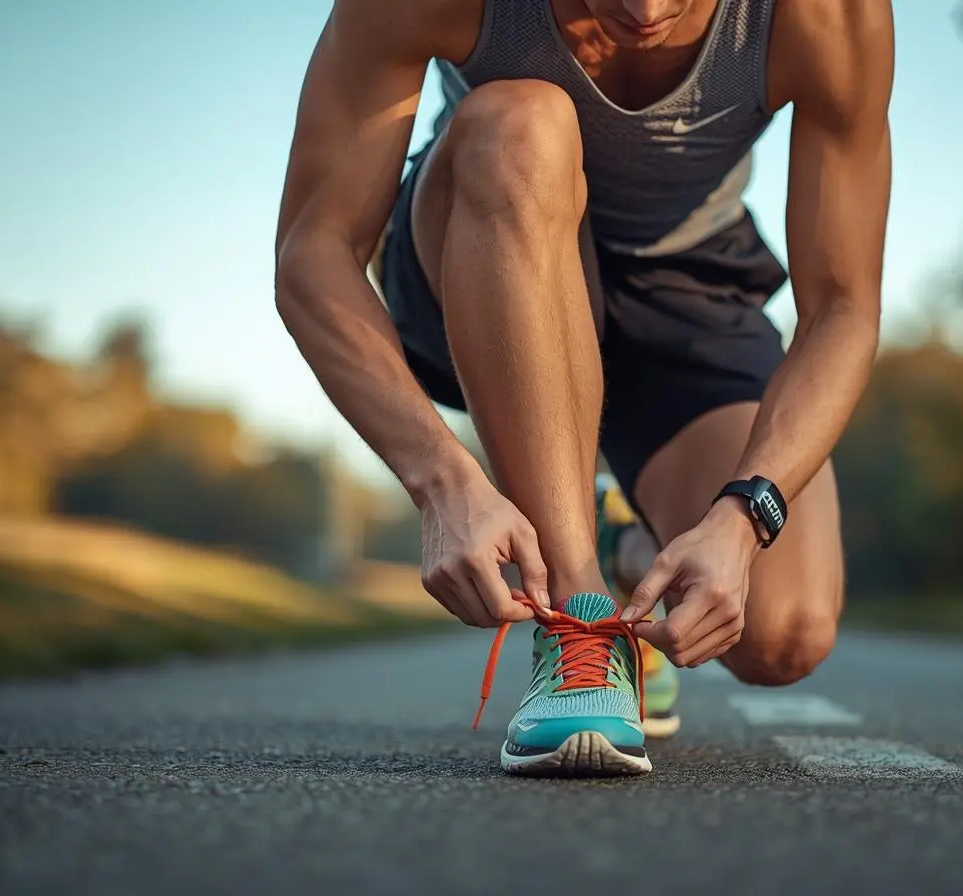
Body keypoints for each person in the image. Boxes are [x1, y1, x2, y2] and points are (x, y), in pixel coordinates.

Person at [275, 0, 895, 776]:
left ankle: (627, 550)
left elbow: (843, 307)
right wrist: (439, 479)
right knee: (521, 122)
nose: (645, 9)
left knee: (785, 635)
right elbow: (314, 252)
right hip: (487, 235)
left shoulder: (829, 16)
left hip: (686, 282)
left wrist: (741, 520)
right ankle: (580, 612)